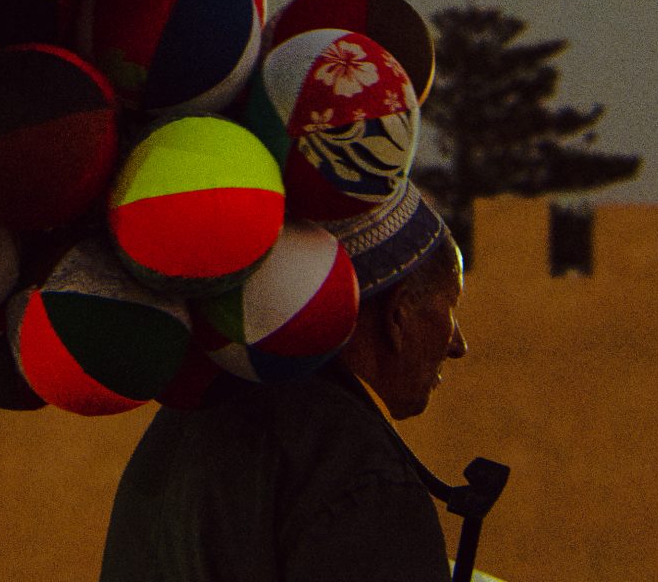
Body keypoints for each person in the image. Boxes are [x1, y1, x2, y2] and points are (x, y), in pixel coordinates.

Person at [99, 183, 471, 582]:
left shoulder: (182, 428)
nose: (458, 344)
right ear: (398, 315)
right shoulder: (354, 466)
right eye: (449, 311)